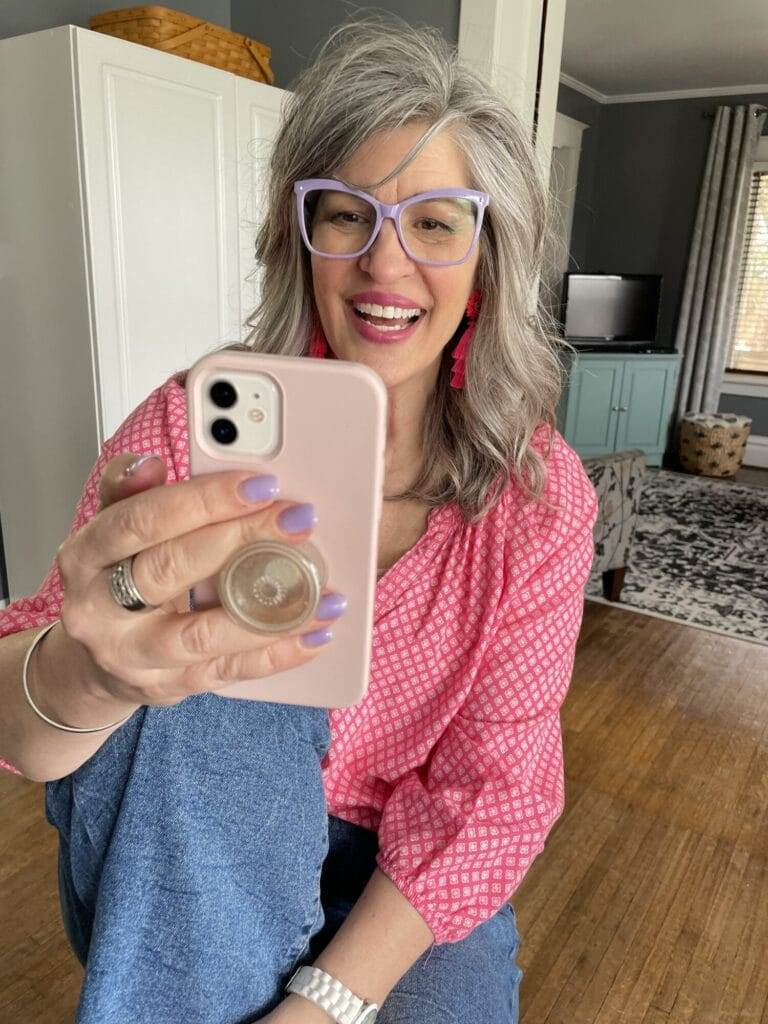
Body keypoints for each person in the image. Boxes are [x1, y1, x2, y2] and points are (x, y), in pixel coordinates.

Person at [0, 17, 598, 1024]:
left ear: (487, 254)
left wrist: (323, 1004)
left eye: (437, 221)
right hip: (196, 824)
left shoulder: (538, 502)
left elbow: (493, 790)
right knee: (199, 702)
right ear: (300, 235)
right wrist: (88, 670)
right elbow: (27, 725)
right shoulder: (193, 430)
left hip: (405, 869)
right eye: (344, 215)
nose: (385, 264)